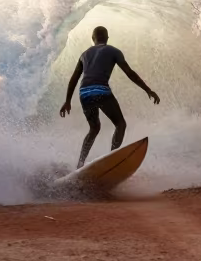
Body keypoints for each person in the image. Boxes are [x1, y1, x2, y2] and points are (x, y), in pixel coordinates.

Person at [60, 25, 160, 168]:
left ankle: (80, 163)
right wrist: (148, 90)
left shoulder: (84, 54)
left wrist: (68, 101)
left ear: (93, 39)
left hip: (84, 93)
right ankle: (112, 158)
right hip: (101, 90)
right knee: (120, 124)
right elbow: (129, 73)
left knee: (94, 128)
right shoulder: (113, 51)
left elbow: (74, 78)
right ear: (107, 38)